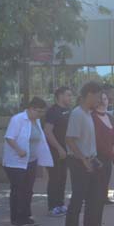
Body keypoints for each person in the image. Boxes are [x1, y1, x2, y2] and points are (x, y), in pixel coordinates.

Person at [62, 81, 103, 226]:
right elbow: (69, 139)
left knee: (93, 200)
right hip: (79, 163)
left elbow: (86, 141)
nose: (100, 100)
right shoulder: (77, 114)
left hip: (90, 161)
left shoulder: (88, 114)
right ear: (89, 95)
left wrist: (94, 158)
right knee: (77, 202)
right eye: (98, 96)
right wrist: (84, 160)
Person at [3, 97, 54, 226]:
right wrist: (19, 150)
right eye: (39, 111)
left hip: (31, 161)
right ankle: (16, 218)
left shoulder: (36, 121)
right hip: (16, 162)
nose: (41, 115)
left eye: (43, 112)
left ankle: (26, 215)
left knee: (28, 190)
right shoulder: (18, 119)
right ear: (31, 109)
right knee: (18, 190)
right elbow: (9, 137)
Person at [91, 91, 114, 226]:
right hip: (97, 160)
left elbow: (113, 136)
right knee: (95, 195)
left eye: (105, 98)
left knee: (102, 194)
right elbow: (98, 142)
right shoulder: (92, 117)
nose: (103, 101)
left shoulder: (110, 116)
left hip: (107, 159)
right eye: (100, 99)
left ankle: (97, 225)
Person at [44, 86, 73, 217]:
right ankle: (52, 206)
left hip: (66, 151)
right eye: (68, 95)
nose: (70, 97)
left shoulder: (68, 111)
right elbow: (48, 131)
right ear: (60, 96)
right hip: (54, 151)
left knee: (62, 177)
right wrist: (59, 148)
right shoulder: (52, 111)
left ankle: (60, 204)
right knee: (54, 178)